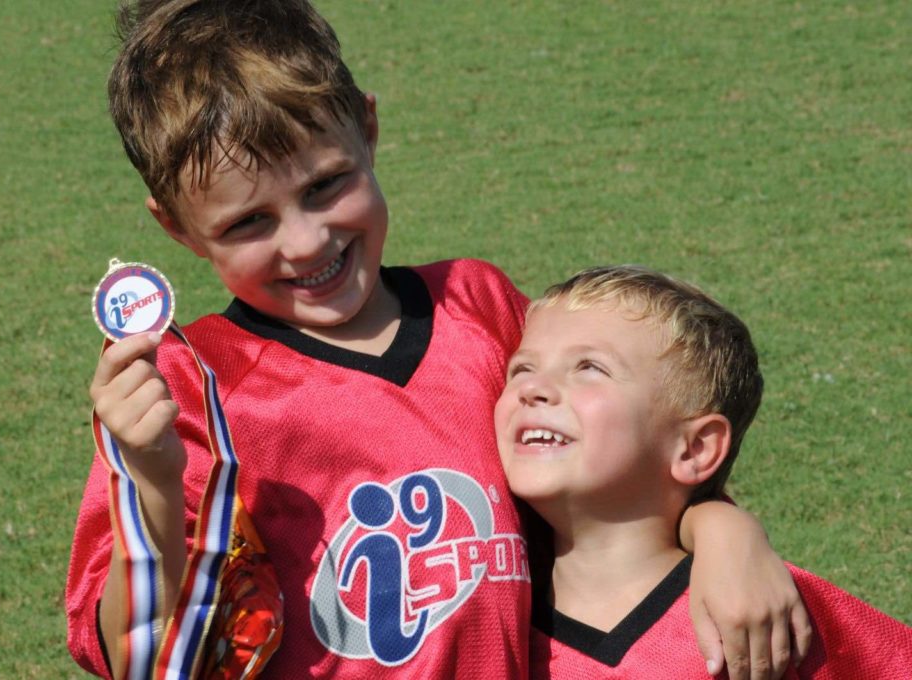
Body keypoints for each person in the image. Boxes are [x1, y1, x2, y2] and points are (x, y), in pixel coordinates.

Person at [67, 2, 809, 678]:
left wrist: (724, 528)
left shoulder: (478, 304)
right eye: (247, 223)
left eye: (325, 185)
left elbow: (622, 462)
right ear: (174, 226)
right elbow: (132, 653)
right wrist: (154, 484)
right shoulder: (185, 383)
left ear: (369, 127)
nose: (305, 241)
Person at [495, 265, 912, 678]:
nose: (532, 389)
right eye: (522, 369)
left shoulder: (764, 613)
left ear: (696, 448)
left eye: (589, 367)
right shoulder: (477, 620)